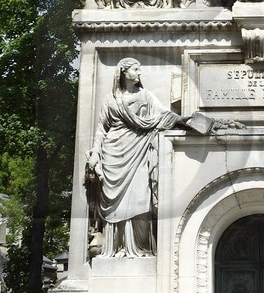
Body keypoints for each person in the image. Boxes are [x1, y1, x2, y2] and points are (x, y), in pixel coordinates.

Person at [85, 58, 199, 258]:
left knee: (141, 200)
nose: (139, 73)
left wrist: (182, 120)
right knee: (116, 205)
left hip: (138, 151)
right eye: (135, 69)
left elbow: (164, 115)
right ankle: (117, 249)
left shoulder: (146, 96)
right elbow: (101, 129)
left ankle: (140, 248)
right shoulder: (110, 100)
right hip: (113, 152)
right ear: (123, 72)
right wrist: (95, 153)